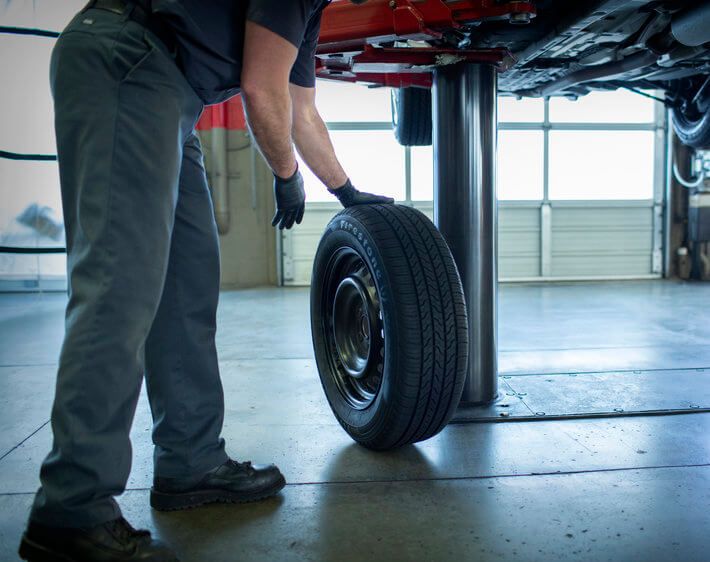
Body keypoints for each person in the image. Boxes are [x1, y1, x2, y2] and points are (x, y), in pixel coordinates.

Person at [19, 0, 389, 560]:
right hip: (131, 64)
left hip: (173, 93)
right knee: (118, 289)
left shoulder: (311, 10)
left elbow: (299, 109)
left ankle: (190, 462)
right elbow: (262, 92)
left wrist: (346, 190)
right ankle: (72, 509)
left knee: (186, 285)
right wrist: (286, 176)